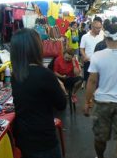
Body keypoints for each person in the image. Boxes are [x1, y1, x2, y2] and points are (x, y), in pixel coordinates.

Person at [84, 22, 117, 158]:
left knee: (100, 137)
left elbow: (92, 81)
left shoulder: (97, 56)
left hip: (102, 101)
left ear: (105, 38)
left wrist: (87, 101)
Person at [10, 28, 67, 158]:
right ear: (35, 48)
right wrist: (61, 86)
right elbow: (61, 105)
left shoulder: (16, 75)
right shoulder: (44, 74)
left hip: (23, 138)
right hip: (43, 140)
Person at [80, 16, 104, 84]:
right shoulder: (85, 37)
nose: (99, 29)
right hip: (89, 62)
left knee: (99, 81)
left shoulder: (102, 35)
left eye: (100, 28)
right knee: (88, 81)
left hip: (100, 62)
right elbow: (82, 49)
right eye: (97, 28)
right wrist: (84, 56)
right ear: (92, 27)